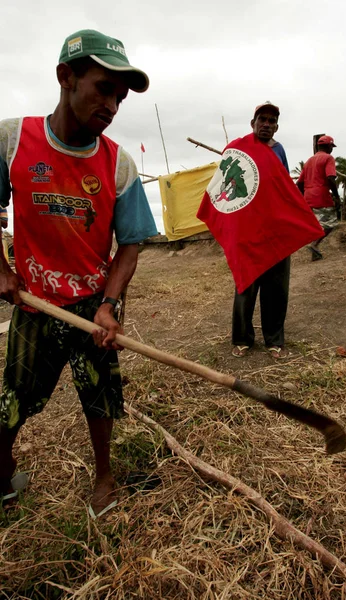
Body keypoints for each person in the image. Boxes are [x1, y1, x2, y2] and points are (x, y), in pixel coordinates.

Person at [0, 29, 158, 516]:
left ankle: (105, 478)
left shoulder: (118, 165)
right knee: (14, 398)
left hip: (92, 303)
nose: (112, 104)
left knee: (100, 395)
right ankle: (3, 477)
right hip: (33, 297)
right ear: (66, 77)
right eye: (103, 88)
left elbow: (130, 246)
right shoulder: (12, 140)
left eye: (120, 96)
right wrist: (2, 269)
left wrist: (110, 306)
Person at [232, 102, 291, 359]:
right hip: (248, 231)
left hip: (276, 230)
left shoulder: (279, 151)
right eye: (262, 119)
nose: (266, 124)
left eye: (271, 120)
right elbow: (227, 189)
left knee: (276, 287)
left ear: (276, 126)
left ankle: (274, 340)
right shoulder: (239, 149)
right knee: (245, 285)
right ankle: (242, 338)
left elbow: (286, 188)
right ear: (252, 123)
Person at [297, 135, 340, 261]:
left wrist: (302, 196)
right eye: (331, 147)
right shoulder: (328, 158)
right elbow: (331, 178)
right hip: (321, 196)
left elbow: (299, 183)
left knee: (316, 224)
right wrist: (337, 197)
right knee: (330, 223)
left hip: (308, 197)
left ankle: (314, 255)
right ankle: (314, 245)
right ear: (328, 146)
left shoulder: (309, 161)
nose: (332, 149)